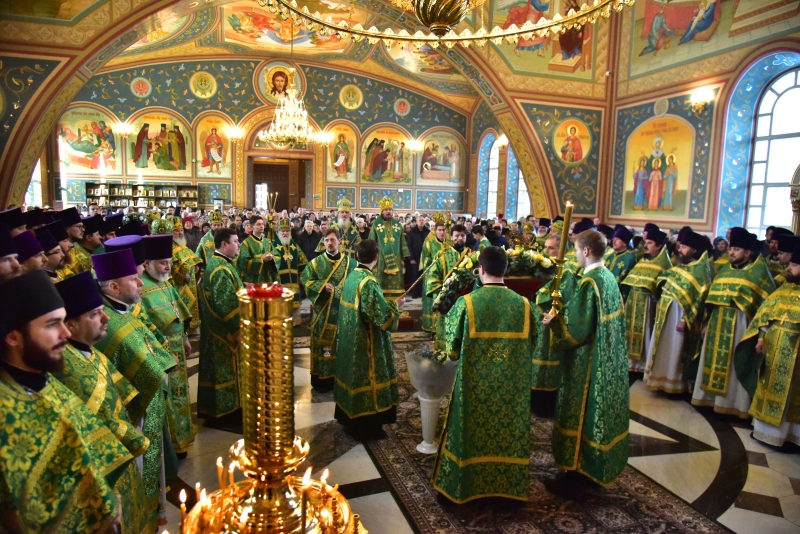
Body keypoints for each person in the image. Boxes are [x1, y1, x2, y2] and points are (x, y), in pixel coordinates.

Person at [0, 270, 133, 534]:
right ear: (13, 337)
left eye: (63, 321)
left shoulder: (45, 380)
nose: (64, 333)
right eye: (52, 325)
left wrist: (104, 504)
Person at [431, 246, 534, 504]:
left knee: (469, 429)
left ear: (481, 270)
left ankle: (464, 487)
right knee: (507, 430)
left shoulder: (466, 304)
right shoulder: (524, 305)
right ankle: (508, 490)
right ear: (506, 269)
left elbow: (451, 350)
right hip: (512, 389)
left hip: (474, 386)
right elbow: (533, 343)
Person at [52, 271, 148, 534]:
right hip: (103, 472)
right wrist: (135, 437)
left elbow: (121, 395)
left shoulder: (91, 352)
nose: (106, 317)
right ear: (70, 325)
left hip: (122, 457)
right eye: (95, 314)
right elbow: (99, 420)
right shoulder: (67, 367)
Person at [91, 246, 176, 529]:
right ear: (114, 287)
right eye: (133, 278)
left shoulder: (123, 311)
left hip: (149, 409)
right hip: (134, 419)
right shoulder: (109, 323)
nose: (141, 282)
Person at [542, 229, 629, 495]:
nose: (576, 255)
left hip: (586, 362)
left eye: (577, 250)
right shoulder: (608, 277)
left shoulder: (590, 282)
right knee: (595, 414)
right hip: (605, 358)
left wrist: (554, 321)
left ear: (587, 251)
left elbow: (576, 328)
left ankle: (576, 473)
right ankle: (592, 468)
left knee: (579, 412)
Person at [692, 227, 775, 418]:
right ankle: (709, 400)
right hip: (717, 323)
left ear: (747, 252)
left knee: (733, 365)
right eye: (730, 248)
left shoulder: (759, 273)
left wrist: (761, 335)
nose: (731, 252)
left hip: (741, 326)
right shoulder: (723, 271)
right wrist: (706, 323)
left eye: (736, 249)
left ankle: (732, 405)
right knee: (711, 362)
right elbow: (712, 302)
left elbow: (767, 308)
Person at [334, 239, 402, 439]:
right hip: (366, 345)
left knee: (352, 377)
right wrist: (396, 305)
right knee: (368, 379)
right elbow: (382, 318)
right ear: (376, 257)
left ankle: (348, 421)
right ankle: (368, 428)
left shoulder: (352, 276)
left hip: (350, 340)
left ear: (357, 255)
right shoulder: (368, 282)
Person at [735, 243, 800, 447]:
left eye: (795, 265)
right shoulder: (784, 289)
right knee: (768, 386)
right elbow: (766, 315)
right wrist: (761, 338)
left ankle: (789, 436)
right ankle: (764, 432)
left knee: (792, 395)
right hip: (773, 350)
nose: (789, 268)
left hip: (796, 354)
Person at [138, 234, 196, 455]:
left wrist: (185, 337)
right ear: (147, 264)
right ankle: (172, 445)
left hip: (177, 346)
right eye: (163, 263)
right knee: (169, 397)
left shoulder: (165, 282)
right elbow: (145, 326)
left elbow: (178, 313)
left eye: (169, 263)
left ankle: (183, 438)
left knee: (180, 393)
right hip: (162, 352)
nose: (168, 268)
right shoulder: (142, 289)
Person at [644, 230, 713, 393]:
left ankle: (673, 384)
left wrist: (684, 320)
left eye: (684, 247)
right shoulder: (680, 267)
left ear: (695, 250)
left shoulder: (700, 272)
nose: (679, 250)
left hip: (679, 319)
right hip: (665, 316)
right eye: (679, 246)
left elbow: (699, 301)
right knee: (663, 349)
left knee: (675, 350)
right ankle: (658, 379)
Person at [301, 228, 357, 391]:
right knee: (324, 346)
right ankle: (322, 380)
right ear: (323, 242)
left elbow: (356, 284)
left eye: (332, 240)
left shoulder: (351, 263)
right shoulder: (316, 263)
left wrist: (340, 291)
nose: (329, 243)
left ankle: (342, 378)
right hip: (322, 313)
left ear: (339, 241)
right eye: (326, 240)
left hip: (343, 312)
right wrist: (321, 286)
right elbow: (305, 280)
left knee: (342, 345)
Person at [198, 228, 244, 419]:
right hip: (224, 332)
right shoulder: (220, 268)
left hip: (217, 329)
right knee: (225, 369)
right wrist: (238, 330)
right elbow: (226, 304)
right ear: (224, 244)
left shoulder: (219, 263)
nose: (239, 245)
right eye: (235, 241)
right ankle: (228, 411)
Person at [530, 234, 579, 416]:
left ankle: (545, 405)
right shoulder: (540, 270)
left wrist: (538, 297)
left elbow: (565, 299)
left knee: (547, 362)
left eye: (551, 248)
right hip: (535, 323)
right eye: (545, 247)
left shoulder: (566, 274)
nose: (546, 251)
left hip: (550, 326)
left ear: (561, 251)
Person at [622, 228, 671, 373]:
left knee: (646, 335)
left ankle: (643, 366)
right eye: (645, 242)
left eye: (650, 243)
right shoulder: (642, 261)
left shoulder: (664, 265)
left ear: (659, 246)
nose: (645, 245)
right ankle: (630, 364)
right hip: (632, 303)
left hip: (649, 306)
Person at [425, 224, 468, 353]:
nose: (460, 238)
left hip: (467, 301)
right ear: (451, 237)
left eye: (462, 235)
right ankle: (444, 352)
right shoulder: (441, 255)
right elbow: (433, 278)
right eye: (457, 236)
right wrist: (442, 296)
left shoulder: (472, 255)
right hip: (448, 303)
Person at [368, 197, 410, 298]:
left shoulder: (398, 226)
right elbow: (371, 243)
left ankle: (396, 302)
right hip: (380, 260)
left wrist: (403, 258)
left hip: (396, 260)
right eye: (386, 210)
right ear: (382, 212)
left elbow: (402, 242)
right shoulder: (376, 226)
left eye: (390, 210)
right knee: (381, 285)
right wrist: (372, 259)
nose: (388, 212)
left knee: (396, 286)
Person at [266, 218, 308, 304]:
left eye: (287, 231)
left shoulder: (294, 245)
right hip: (279, 282)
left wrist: (302, 276)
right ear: (278, 231)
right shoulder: (273, 245)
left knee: (294, 307)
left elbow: (303, 261)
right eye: (283, 231)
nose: (285, 233)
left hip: (294, 282)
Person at [420, 215, 449, 332]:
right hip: (433, 277)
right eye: (439, 230)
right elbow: (425, 260)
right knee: (433, 300)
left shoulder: (450, 243)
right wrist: (437, 261)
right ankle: (431, 326)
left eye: (443, 230)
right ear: (435, 231)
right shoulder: (429, 243)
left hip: (447, 276)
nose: (442, 232)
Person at [236, 214, 274, 284]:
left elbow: (276, 256)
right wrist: (261, 259)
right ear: (252, 226)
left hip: (267, 277)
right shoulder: (246, 243)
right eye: (258, 224)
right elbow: (243, 262)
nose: (261, 226)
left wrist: (272, 258)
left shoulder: (267, 242)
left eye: (262, 224)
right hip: (253, 279)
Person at [608, 225, 638, 298]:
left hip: (618, 294)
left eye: (617, 239)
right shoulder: (610, 255)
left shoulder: (629, 259)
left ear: (624, 243)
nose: (614, 241)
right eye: (613, 239)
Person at [405, 215, 429, 299]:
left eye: (422, 220)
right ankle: (415, 292)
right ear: (417, 222)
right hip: (415, 258)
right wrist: (411, 258)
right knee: (415, 275)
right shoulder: (412, 232)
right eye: (420, 220)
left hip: (425, 258)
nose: (421, 222)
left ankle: (422, 292)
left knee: (424, 275)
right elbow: (409, 246)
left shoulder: (428, 232)